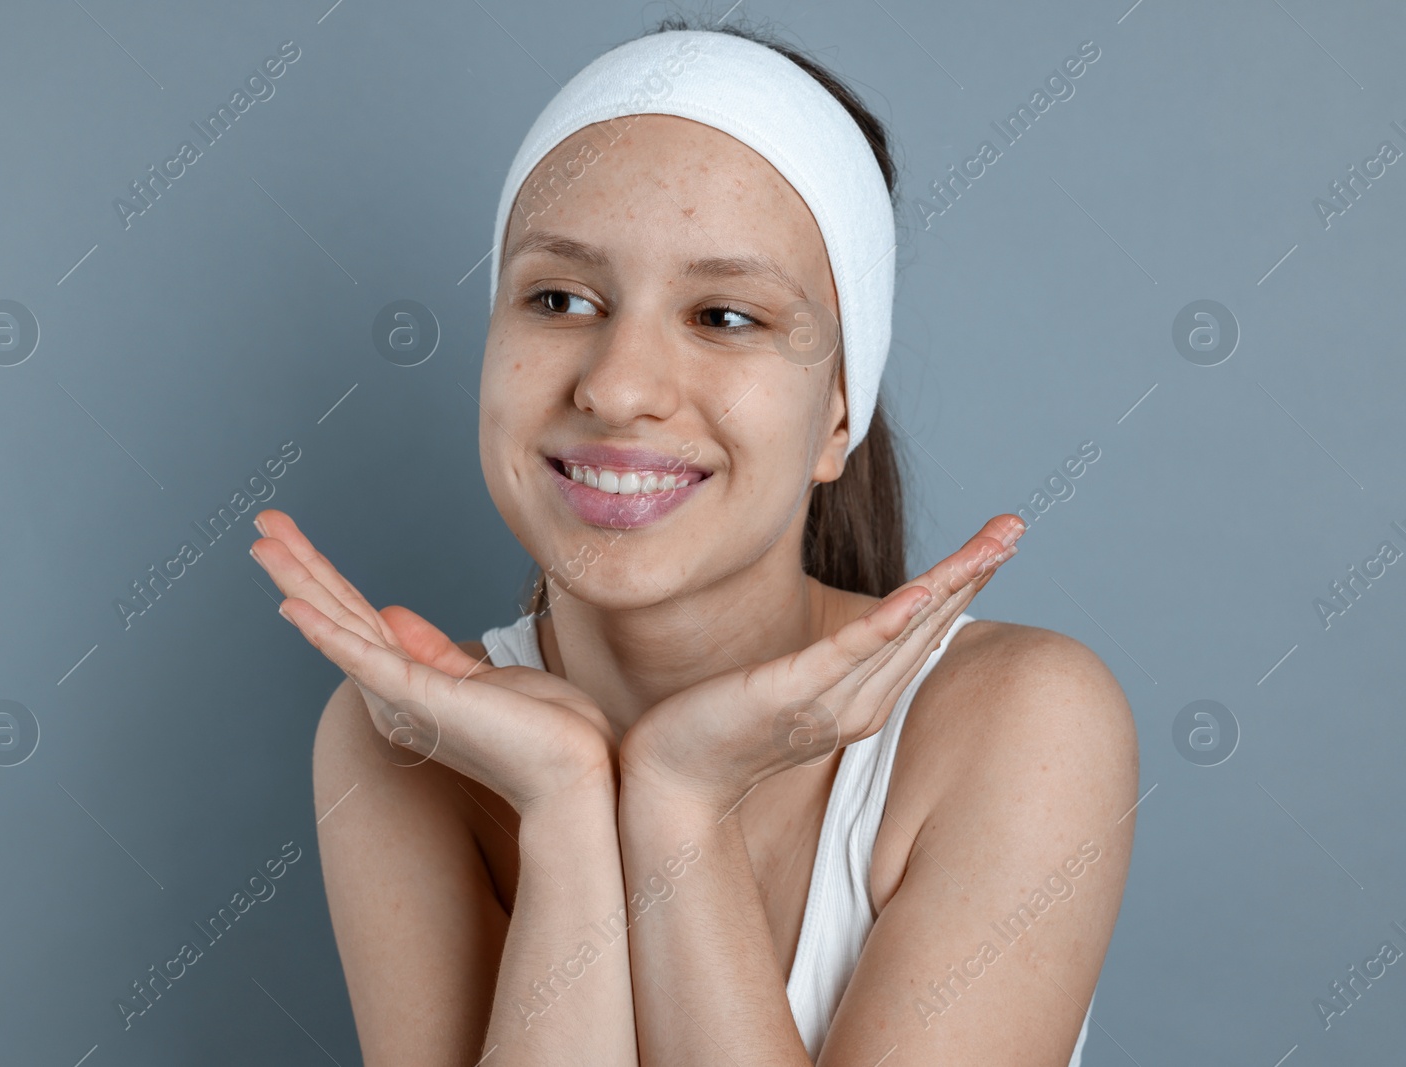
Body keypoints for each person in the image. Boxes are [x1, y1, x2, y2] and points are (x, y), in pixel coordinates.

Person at [251, 16, 1136, 1065]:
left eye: (724, 316)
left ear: (837, 414)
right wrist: (571, 802)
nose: (618, 385)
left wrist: (678, 802)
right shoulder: (398, 737)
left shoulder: (1023, 721)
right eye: (559, 298)